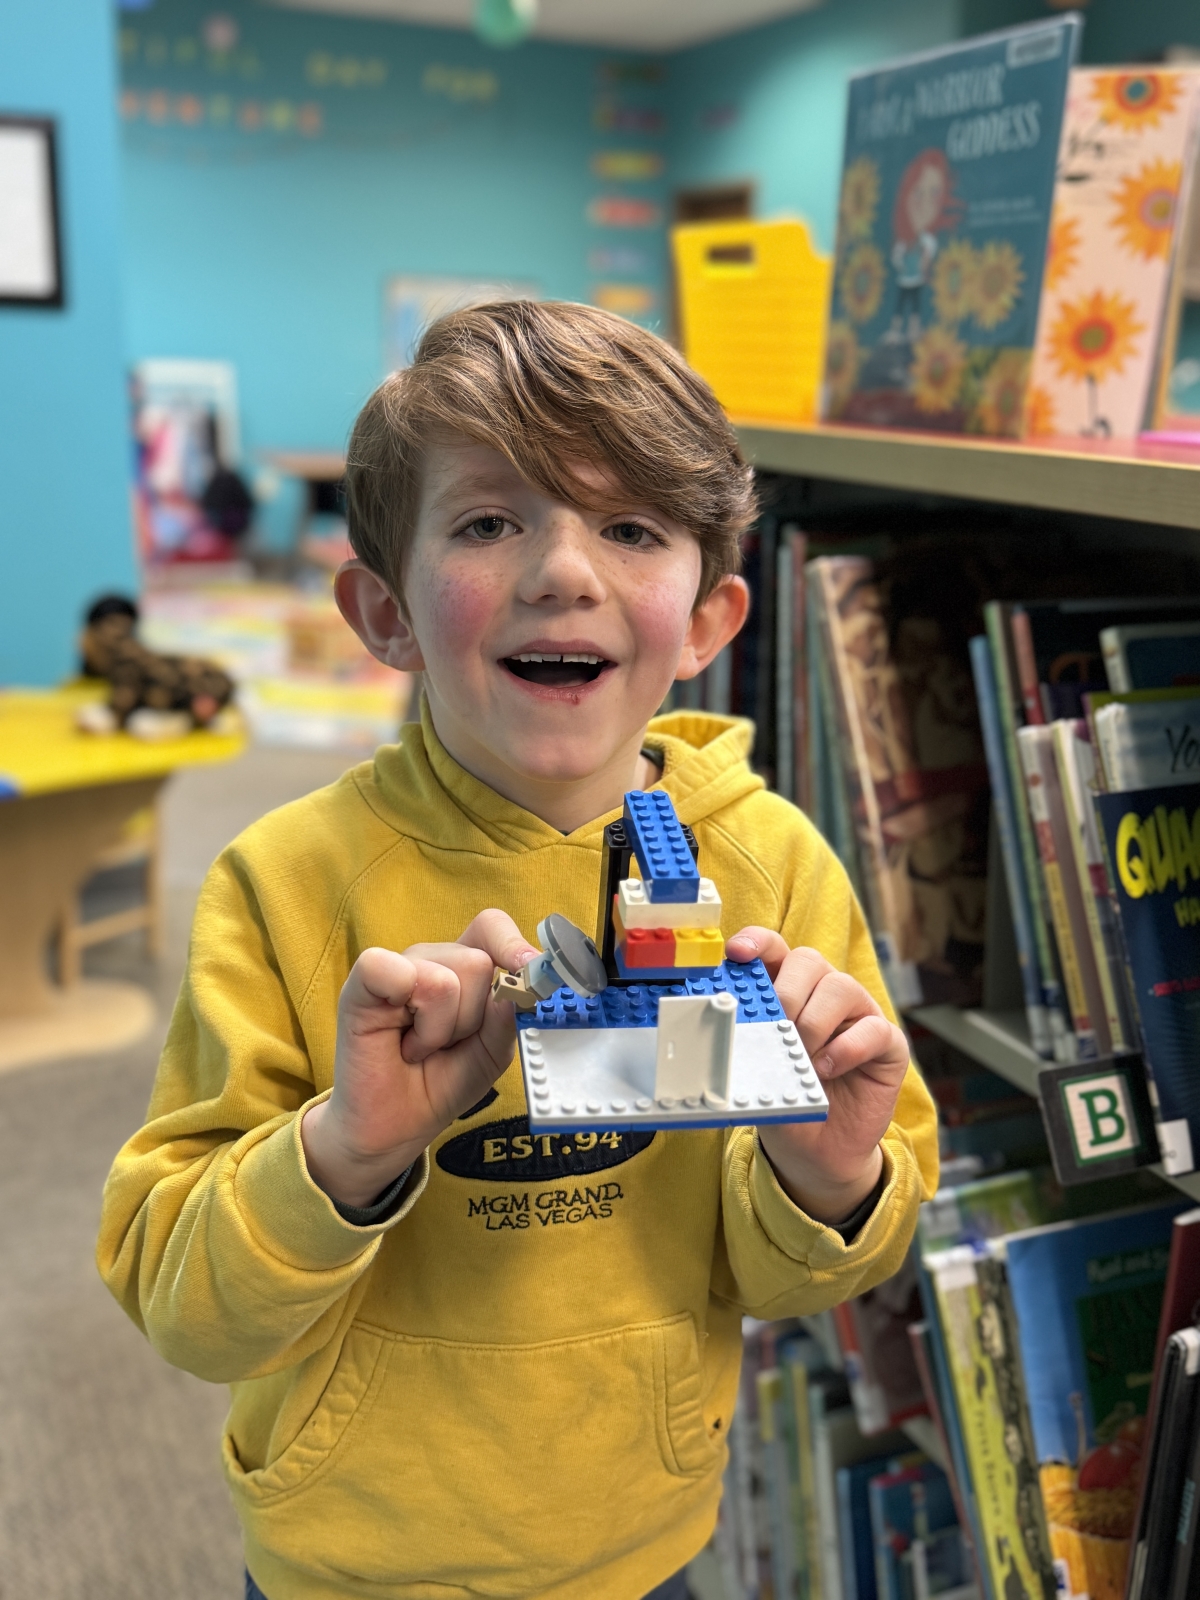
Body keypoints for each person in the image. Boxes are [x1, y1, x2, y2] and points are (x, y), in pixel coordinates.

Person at [98, 300, 938, 1600]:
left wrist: (827, 1178)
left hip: (647, 1540)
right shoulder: (284, 883)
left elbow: (793, 1280)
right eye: (490, 522)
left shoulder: (773, 866)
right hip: (353, 1561)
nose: (563, 573)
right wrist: (344, 1153)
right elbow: (189, 1312)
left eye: (631, 528)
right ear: (384, 612)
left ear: (709, 621)